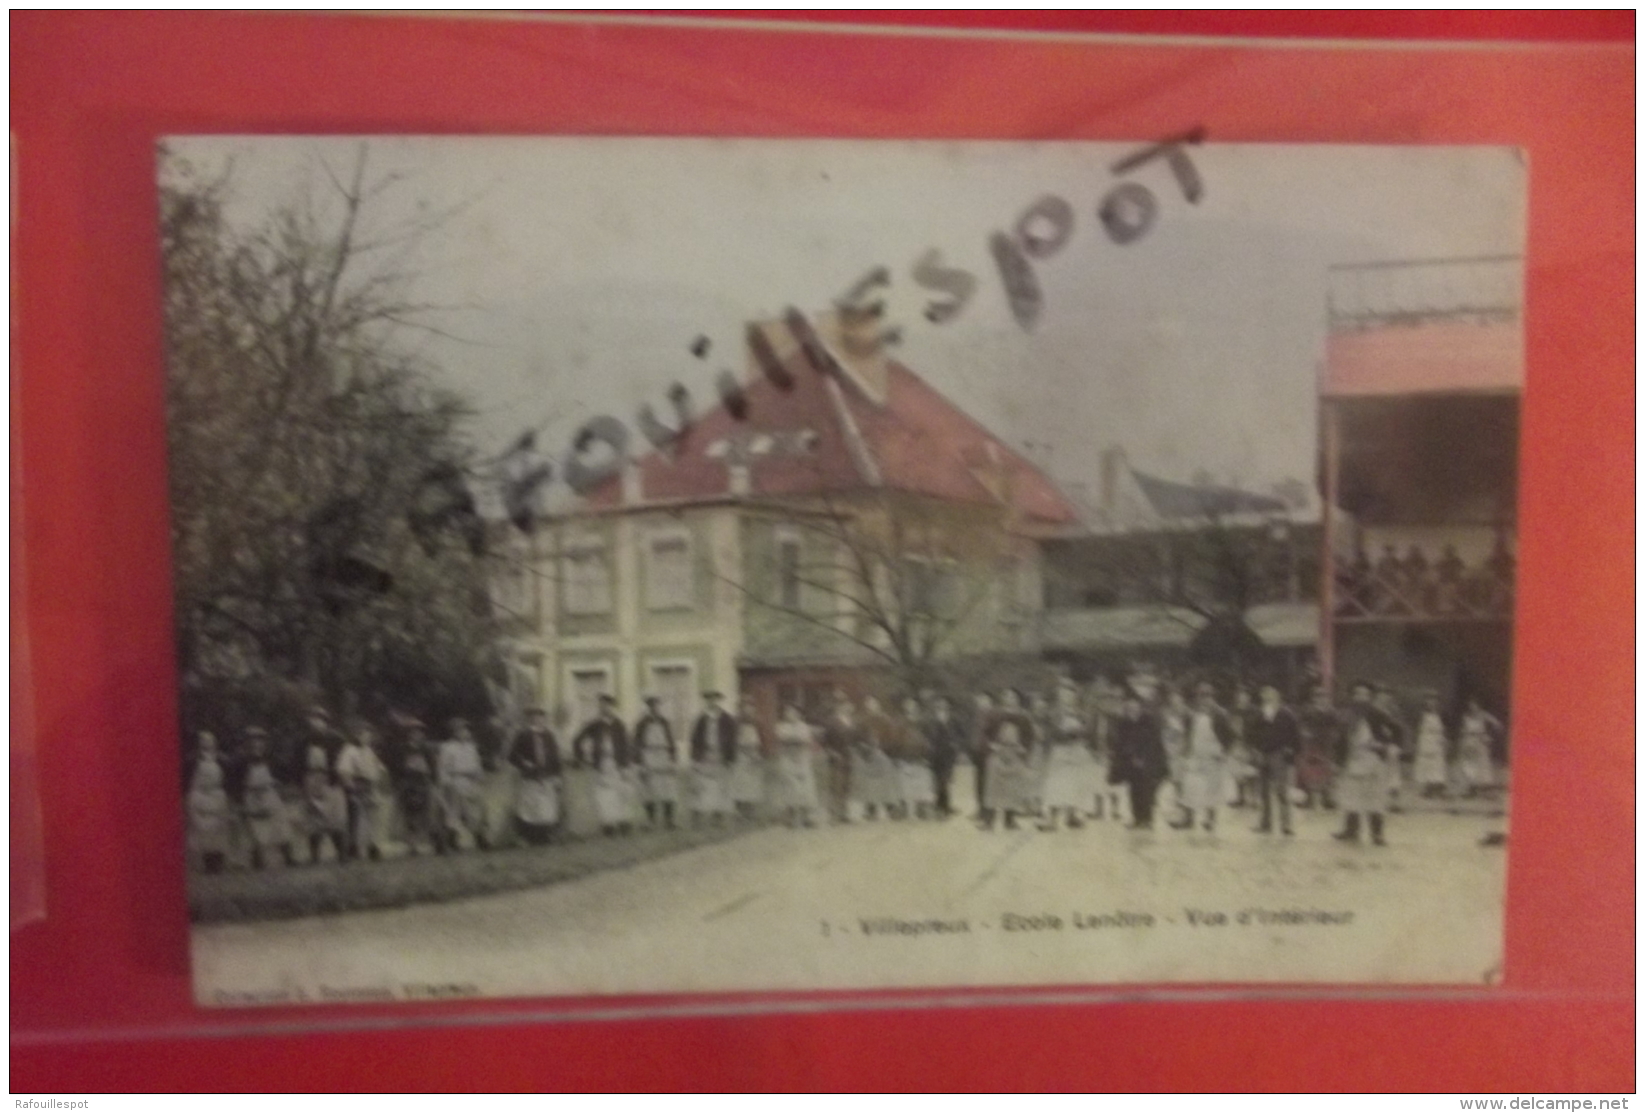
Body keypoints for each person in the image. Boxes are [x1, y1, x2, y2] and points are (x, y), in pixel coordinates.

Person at [1334, 682, 1402, 846]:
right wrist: (1338, 761)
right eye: (1357, 694)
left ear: (1369, 697)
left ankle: (1377, 834)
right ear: (1352, 696)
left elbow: (1397, 730)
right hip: (1353, 759)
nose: (1361, 698)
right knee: (1351, 796)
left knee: (1375, 797)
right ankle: (1351, 830)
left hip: (1373, 760)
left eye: (1364, 694)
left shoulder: (1377, 714)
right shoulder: (1347, 716)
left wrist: (1386, 746)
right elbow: (1340, 740)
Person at [1171, 682, 1232, 833]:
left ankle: (1210, 819)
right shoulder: (1193, 714)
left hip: (1213, 755)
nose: (1203, 699)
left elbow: (1230, 736)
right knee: (1190, 786)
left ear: (1212, 697)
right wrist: (1185, 751)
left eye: (1207, 696)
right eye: (1200, 696)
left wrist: (1224, 752)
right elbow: (1188, 734)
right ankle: (1188, 818)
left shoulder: (1220, 714)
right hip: (1195, 755)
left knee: (1212, 789)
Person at [575, 694, 635, 836]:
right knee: (604, 795)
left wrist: (626, 764)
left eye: (608, 705)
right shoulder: (594, 724)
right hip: (601, 764)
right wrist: (582, 758)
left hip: (618, 763)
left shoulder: (619, 724)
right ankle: (608, 825)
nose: (605, 708)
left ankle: (623, 822)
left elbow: (626, 745)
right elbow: (577, 740)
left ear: (612, 707)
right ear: (599, 707)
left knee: (621, 793)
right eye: (602, 705)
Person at [1039, 685, 1095, 831]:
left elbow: (1088, 729)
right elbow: (1051, 731)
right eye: (1064, 695)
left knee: (1075, 783)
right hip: (1060, 750)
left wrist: (1080, 731)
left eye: (1070, 695)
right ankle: (1052, 819)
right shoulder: (1053, 713)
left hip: (1076, 751)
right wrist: (1068, 733)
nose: (1067, 698)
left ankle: (1072, 815)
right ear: (1059, 697)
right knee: (1056, 785)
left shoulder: (1080, 713)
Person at [1246, 684, 1300, 836]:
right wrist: (1255, 750)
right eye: (1265, 696)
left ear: (1278, 697)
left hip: (1279, 754)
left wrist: (1291, 753)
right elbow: (1250, 733)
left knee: (1282, 791)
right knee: (1263, 791)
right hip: (1263, 754)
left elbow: (1295, 735)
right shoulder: (1259, 714)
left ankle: (1286, 824)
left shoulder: (1286, 714)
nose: (1268, 699)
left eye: (1271, 696)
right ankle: (1265, 823)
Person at [239, 726, 296, 869]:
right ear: (247, 743)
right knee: (255, 828)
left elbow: (283, 774)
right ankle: (257, 860)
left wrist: (277, 782)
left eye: (260, 740)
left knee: (281, 823)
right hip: (251, 796)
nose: (256, 744)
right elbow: (235, 782)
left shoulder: (271, 759)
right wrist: (241, 796)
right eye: (252, 740)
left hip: (269, 794)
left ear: (264, 743)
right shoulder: (241, 761)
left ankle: (288, 856)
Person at [1108, 693, 1168, 829]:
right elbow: (1121, 742)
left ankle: (1147, 819)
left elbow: (1153, 742)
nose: (1131, 710)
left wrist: (1142, 758)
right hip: (1130, 761)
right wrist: (1128, 757)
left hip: (1149, 760)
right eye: (1128, 708)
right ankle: (1137, 818)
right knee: (1133, 790)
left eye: (1134, 707)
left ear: (1140, 708)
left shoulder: (1148, 721)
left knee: (1146, 790)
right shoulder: (1124, 723)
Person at [335, 720, 391, 861]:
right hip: (356, 786)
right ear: (356, 735)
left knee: (374, 818)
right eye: (363, 734)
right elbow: (344, 771)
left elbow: (379, 768)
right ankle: (352, 848)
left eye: (368, 734)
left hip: (370, 786)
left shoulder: (369, 751)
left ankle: (373, 847)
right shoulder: (349, 750)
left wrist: (380, 780)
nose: (366, 737)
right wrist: (351, 790)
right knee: (356, 819)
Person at [508, 707, 564, 845]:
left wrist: (557, 775)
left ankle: (544, 835)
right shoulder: (523, 735)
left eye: (541, 717)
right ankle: (529, 837)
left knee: (547, 807)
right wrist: (524, 763)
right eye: (535, 717)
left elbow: (555, 757)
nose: (538, 720)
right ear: (530, 719)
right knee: (530, 807)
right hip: (530, 776)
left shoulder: (549, 735)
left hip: (547, 776)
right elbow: (512, 756)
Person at [437, 718, 489, 851]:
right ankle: (450, 840)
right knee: (455, 812)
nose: (464, 733)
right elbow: (442, 768)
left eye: (466, 730)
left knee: (475, 811)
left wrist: (479, 776)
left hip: (471, 782)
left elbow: (477, 764)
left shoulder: (471, 747)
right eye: (460, 730)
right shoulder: (447, 747)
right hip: (456, 780)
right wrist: (446, 783)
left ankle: (480, 837)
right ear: (454, 732)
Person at [302, 724, 350, 864]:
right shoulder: (306, 750)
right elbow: (301, 768)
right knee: (315, 819)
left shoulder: (333, 751)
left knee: (336, 818)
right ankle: (315, 855)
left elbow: (339, 767)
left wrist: (336, 778)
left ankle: (341, 853)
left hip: (330, 782)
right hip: (312, 781)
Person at [688, 690, 737, 826]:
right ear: (706, 702)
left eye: (715, 699)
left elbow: (732, 741)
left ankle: (719, 816)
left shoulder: (727, 719)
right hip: (705, 756)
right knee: (704, 786)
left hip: (722, 755)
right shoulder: (701, 720)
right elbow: (695, 741)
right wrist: (695, 759)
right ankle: (701, 817)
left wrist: (731, 760)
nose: (712, 702)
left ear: (719, 701)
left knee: (722, 786)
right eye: (709, 700)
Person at [186, 732, 233, 874]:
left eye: (210, 740)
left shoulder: (222, 759)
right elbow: (186, 779)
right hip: (200, 795)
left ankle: (218, 861)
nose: (207, 743)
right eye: (203, 740)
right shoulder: (192, 760)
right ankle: (207, 862)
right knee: (202, 830)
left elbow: (229, 777)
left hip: (216, 796)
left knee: (218, 829)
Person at [632, 696, 681, 830]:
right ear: (648, 707)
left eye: (657, 705)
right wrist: (640, 764)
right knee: (650, 790)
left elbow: (671, 742)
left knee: (669, 789)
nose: (655, 708)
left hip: (664, 756)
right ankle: (650, 821)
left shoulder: (665, 722)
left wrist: (673, 760)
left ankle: (669, 820)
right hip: (649, 756)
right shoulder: (642, 723)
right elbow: (636, 744)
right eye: (652, 705)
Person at [772, 703, 821, 827]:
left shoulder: (803, 727)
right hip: (787, 759)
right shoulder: (782, 726)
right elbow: (781, 739)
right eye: (788, 712)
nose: (789, 715)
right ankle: (791, 817)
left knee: (806, 788)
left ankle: (807, 817)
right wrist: (793, 740)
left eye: (792, 712)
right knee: (790, 787)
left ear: (798, 714)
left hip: (802, 759)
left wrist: (794, 740)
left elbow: (805, 740)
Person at [853, 695, 902, 821]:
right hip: (868, 756)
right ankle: (870, 810)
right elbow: (857, 739)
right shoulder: (862, 721)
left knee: (885, 783)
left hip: (883, 754)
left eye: (873, 704)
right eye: (868, 705)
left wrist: (883, 750)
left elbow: (892, 737)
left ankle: (890, 808)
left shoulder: (885, 720)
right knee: (870, 784)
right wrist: (865, 749)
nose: (870, 707)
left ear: (878, 705)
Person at [396, 720, 440, 855]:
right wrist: (400, 783)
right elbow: (397, 768)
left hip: (424, 782)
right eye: (413, 732)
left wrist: (434, 780)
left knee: (429, 812)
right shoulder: (402, 749)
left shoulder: (427, 749)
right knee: (411, 814)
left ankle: (437, 843)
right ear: (408, 734)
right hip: (409, 783)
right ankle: (412, 846)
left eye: (419, 732)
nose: (417, 735)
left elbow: (433, 766)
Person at [820, 692, 862, 823]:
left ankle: (844, 813)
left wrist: (856, 749)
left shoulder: (852, 722)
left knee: (846, 785)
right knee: (835, 785)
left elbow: (856, 739)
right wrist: (831, 752)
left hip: (849, 756)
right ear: (837, 707)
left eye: (845, 704)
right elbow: (824, 740)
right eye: (841, 704)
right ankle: (833, 815)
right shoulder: (831, 721)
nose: (845, 706)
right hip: (836, 756)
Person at [921, 694, 964, 819]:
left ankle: (943, 807)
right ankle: (942, 806)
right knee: (937, 781)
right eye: (939, 704)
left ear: (949, 706)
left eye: (944, 703)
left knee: (945, 780)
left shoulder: (954, 719)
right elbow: (925, 736)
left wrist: (957, 746)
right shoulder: (929, 720)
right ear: (935, 706)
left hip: (949, 754)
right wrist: (926, 750)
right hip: (934, 754)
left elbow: (961, 735)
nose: (941, 706)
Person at [1297, 688, 1340, 810]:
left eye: (1323, 697)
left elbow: (1336, 727)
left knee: (1327, 771)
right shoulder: (1308, 711)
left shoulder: (1331, 712)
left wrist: (1333, 736)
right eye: (1317, 697)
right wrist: (1305, 734)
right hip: (1311, 745)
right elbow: (1301, 726)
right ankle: (1311, 798)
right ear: (1313, 698)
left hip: (1327, 745)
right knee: (1311, 771)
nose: (1321, 699)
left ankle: (1327, 798)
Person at [894, 697, 936, 820]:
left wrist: (927, 756)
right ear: (904, 708)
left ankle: (921, 810)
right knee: (905, 784)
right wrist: (898, 758)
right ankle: (905, 810)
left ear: (917, 707)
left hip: (921, 757)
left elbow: (929, 740)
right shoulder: (901, 722)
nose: (910, 708)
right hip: (905, 756)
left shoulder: (924, 722)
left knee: (922, 784)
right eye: (907, 706)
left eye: (912, 705)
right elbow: (897, 741)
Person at [728, 696, 767, 821]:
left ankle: (750, 811)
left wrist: (760, 754)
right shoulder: (735, 722)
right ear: (740, 708)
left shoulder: (757, 722)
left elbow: (762, 739)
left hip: (754, 755)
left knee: (752, 784)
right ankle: (739, 811)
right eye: (745, 707)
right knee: (740, 783)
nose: (748, 709)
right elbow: (732, 740)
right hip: (740, 755)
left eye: (750, 707)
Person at [1456, 698, 1502, 797]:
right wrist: (1463, 737)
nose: (1472, 707)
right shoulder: (1466, 717)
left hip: (1480, 742)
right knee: (1469, 764)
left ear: (1478, 706)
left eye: (1474, 705)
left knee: (1481, 764)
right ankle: (1471, 788)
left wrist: (1489, 734)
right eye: (1470, 705)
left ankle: (1482, 788)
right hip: (1469, 742)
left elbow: (1496, 723)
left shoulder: (1483, 715)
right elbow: (1463, 730)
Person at [1411, 692, 1451, 798]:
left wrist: (1445, 740)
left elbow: (1446, 729)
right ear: (1425, 702)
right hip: (1424, 740)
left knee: (1437, 764)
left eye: (1434, 700)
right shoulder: (1421, 714)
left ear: (1437, 702)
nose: (1431, 703)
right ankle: (1427, 788)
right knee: (1426, 764)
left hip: (1437, 740)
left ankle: (1437, 788)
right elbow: (1416, 729)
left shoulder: (1442, 714)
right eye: (1428, 700)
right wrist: (1415, 742)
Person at [969, 691, 997, 824]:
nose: (981, 702)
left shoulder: (994, 715)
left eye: (984, 700)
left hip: (989, 752)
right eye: (980, 700)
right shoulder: (976, 715)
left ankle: (989, 811)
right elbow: (974, 734)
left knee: (988, 782)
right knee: (979, 782)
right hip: (978, 752)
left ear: (990, 701)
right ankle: (980, 809)